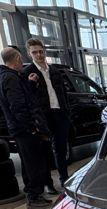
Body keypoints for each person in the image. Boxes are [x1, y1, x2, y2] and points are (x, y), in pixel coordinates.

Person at [0, 47, 51, 209]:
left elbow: (23, 98)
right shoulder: (10, 78)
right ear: (16, 59)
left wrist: (29, 83)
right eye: (21, 59)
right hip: (24, 130)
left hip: (20, 129)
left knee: (30, 164)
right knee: (34, 164)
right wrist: (32, 127)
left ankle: (35, 195)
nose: (22, 62)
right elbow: (18, 106)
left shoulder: (10, 77)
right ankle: (34, 198)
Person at [23, 38, 70, 193]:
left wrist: (66, 111)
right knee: (45, 151)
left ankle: (64, 179)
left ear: (44, 51)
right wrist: (31, 83)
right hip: (43, 116)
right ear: (29, 54)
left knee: (61, 149)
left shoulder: (54, 70)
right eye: (34, 52)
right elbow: (27, 97)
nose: (39, 55)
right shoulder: (28, 72)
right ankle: (48, 183)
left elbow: (63, 93)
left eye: (41, 51)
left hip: (59, 113)